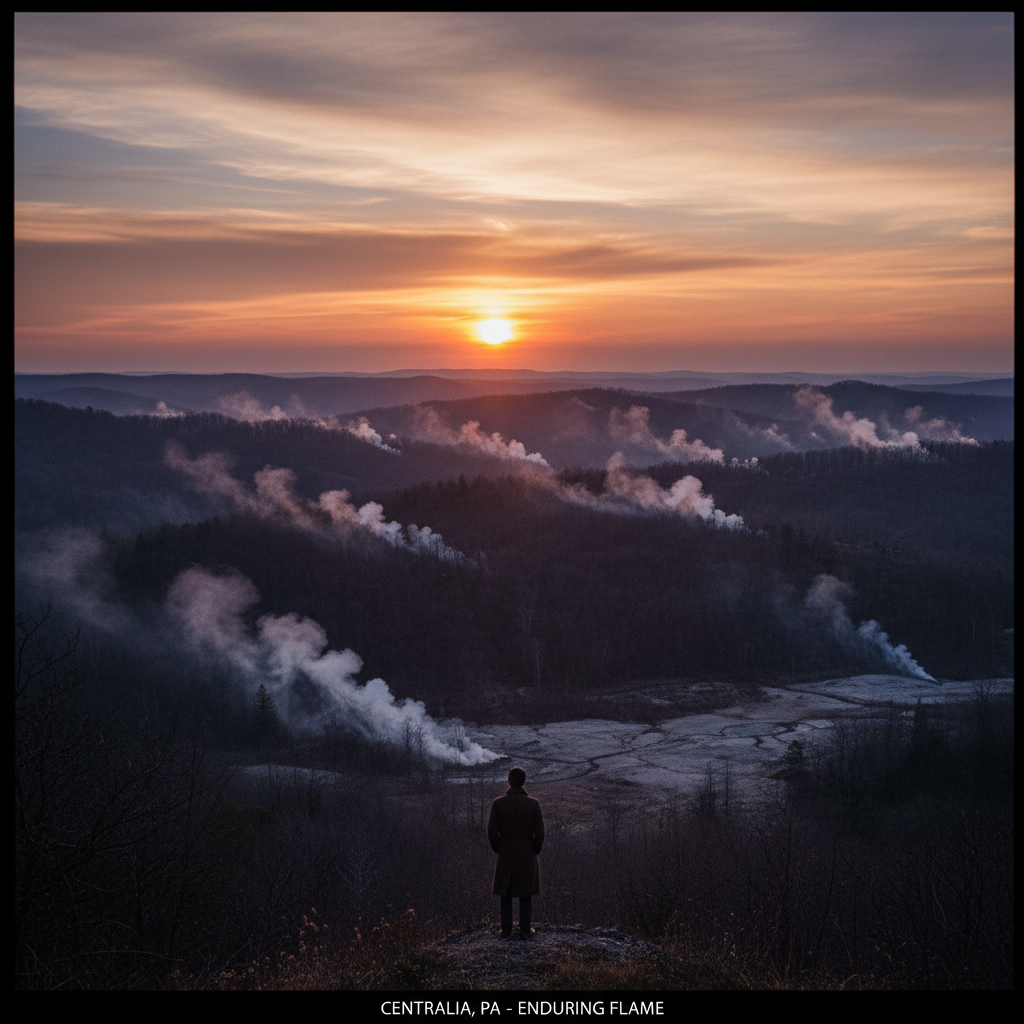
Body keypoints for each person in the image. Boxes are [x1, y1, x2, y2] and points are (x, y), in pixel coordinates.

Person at [487, 765, 544, 939]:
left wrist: (500, 848)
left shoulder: (498, 804)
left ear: (509, 781)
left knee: (506, 893)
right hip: (527, 852)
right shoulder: (533, 804)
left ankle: (506, 931)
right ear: (524, 782)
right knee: (525, 894)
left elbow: (491, 832)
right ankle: (525, 931)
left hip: (506, 852)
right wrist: (533, 849)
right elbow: (540, 833)